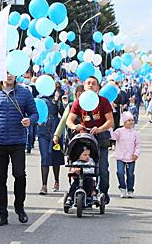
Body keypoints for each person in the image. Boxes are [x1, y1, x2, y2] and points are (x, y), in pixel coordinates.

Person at [0, 72, 38, 226]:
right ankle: (2, 214)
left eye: (11, 72)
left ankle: (19, 207)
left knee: (19, 174)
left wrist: (30, 120)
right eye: (5, 72)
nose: (8, 75)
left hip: (18, 142)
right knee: (0, 179)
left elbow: (34, 114)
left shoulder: (25, 93)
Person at [66, 76, 114, 204]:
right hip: (85, 140)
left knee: (102, 169)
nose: (91, 85)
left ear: (98, 88)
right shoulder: (79, 102)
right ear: (84, 86)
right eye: (88, 83)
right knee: (82, 167)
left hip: (100, 138)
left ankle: (103, 192)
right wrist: (75, 126)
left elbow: (110, 121)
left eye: (94, 84)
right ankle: (83, 189)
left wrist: (99, 129)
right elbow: (69, 120)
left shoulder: (103, 101)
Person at [37, 85, 64, 195]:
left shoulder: (56, 98)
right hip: (43, 129)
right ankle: (44, 185)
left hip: (55, 130)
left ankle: (56, 181)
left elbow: (63, 113)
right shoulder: (39, 98)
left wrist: (59, 101)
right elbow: (33, 112)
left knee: (55, 156)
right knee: (45, 156)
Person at [112, 111, 141, 198]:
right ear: (124, 122)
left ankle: (130, 190)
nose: (131, 122)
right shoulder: (119, 131)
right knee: (120, 172)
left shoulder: (136, 133)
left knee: (130, 174)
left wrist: (136, 154)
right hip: (120, 156)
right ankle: (122, 188)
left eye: (132, 120)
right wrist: (109, 128)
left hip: (131, 157)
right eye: (129, 120)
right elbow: (113, 137)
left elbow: (138, 145)